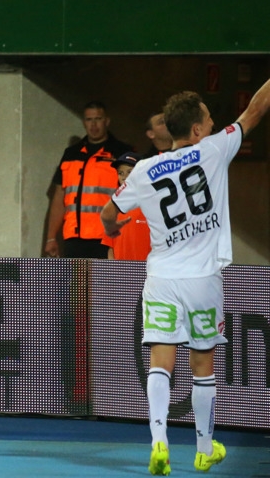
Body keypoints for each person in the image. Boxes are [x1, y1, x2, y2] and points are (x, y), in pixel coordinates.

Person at [102, 77, 270, 474]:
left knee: (161, 362)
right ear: (196, 129)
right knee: (202, 366)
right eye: (209, 118)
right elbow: (256, 110)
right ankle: (203, 448)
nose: (213, 123)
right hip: (202, 280)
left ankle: (159, 443)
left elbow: (109, 214)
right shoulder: (214, 150)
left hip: (161, 278)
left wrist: (111, 231)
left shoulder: (143, 170)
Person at [45, 101, 133, 258]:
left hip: (107, 237)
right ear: (84, 122)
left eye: (98, 119)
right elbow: (60, 197)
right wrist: (51, 237)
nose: (94, 125)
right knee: (78, 283)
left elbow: (133, 197)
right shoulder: (71, 154)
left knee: (105, 282)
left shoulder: (121, 152)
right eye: (89, 120)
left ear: (107, 121)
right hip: (74, 238)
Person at [100, 153, 150, 261]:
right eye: (120, 172)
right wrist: (113, 271)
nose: (124, 176)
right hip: (120, 273)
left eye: (129, 172)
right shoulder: (113, 208)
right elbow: (110, 246)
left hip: (149, 272)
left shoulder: (152, 205)